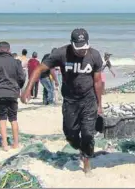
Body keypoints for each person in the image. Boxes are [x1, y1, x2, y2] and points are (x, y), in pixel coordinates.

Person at [21, 28, 103, 174]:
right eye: (79, 48)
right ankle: (80, 148)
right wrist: (28, 88)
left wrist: (100, 104)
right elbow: (39, 69)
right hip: (70, 100)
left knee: (88, 134)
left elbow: (97, 81)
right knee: (70, 134)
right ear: (72, 44)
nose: (82, 51)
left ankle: (86, 161)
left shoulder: (94, 55)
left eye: (84, 47)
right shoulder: (61, 53)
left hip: (88, 99)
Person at [0, 41, 25, 151]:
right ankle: (16, 144)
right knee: (13, 118)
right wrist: (18, 87)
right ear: (9, 50)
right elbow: (22, 78)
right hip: (13, 92)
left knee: (2, 118)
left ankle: (4, 145)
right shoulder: (16, 62)